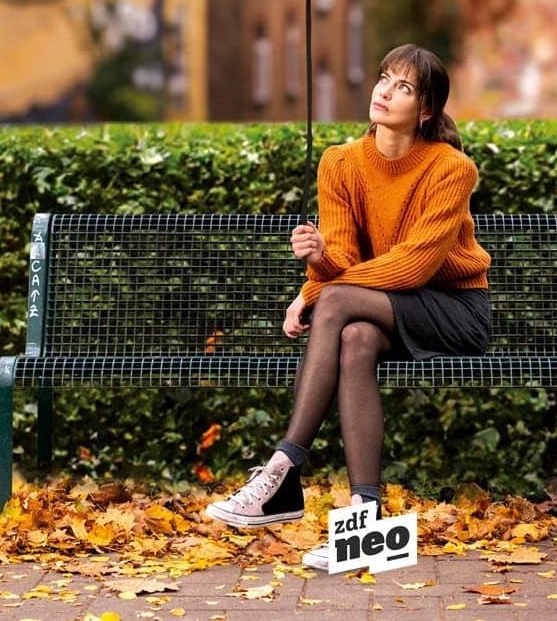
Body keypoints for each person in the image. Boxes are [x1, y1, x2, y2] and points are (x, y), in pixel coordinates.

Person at [205, 43, 491, 569]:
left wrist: (315, 292)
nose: (385, 91)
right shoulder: (340, 163)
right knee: (355, 339)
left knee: (337, 302)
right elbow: (344, 261)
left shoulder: (451, 169)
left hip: (453, 309)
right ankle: (365, 517)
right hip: (384, 307)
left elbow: (413, 267)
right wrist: (319, 259)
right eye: (384, 78)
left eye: (403, 87)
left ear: (425, 109)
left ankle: (284, 469)